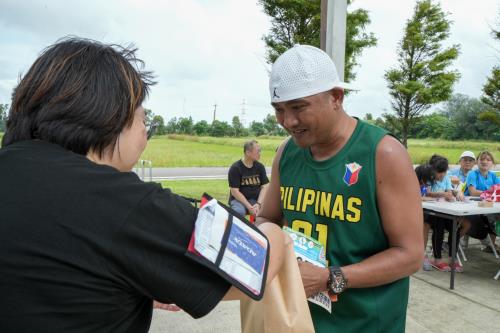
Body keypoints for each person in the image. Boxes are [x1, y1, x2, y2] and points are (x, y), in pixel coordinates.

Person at [0, 37, 285, 332]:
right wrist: (272, 230)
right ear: (112, 118)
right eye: (143, 120)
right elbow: (256, 267)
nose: (145, 135)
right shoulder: (123, 201)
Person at [256, 44, 423, 333]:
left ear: (336, 97)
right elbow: (267, 218)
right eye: (279, 110)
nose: (288, 121)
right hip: (301, 320)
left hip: (366, 323)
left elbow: (409, 255)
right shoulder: (287, 154)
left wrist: (330, 277)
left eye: (298, 107)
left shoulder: (383, 154)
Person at [425, 155, 470, 272]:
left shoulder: (445, 178)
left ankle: (452, 259)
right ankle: (437, 259)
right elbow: (428, 193)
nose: (441, 175)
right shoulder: (429, 178)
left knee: (455, 227)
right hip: (432, 211)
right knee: (439, 228)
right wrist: (442, 194)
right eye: (439, 172)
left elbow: (449, 190)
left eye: (443, 172)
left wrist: (451, 195)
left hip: (445, 209)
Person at [466, 151, 500, 252]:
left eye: (488, 160)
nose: (484, 162)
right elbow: (473, 192)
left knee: (497, 214)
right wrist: (489, 192)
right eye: (482, 159)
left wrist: (491, 193)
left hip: (488, 204)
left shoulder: (493, 176)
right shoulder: (472, 174)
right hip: (473, 206)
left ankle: (490, 245)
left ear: (492, 163)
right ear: (477, 161)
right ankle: (488, 244)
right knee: (493, 216)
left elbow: (497, 190)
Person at [228, 140, 269, 217]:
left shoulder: (260, 167)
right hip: (238, 200)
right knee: (239, 212)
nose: (260, 154)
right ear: (248, 153)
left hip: (255, 200)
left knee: (269, 210)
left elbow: (265, 186)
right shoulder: (236, 168)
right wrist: (249, 207)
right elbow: (234, 191)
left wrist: (258, 204)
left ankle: (259, 228)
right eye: (258, 151)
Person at [415, 164, 436, 271]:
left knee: (426, 224)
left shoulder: (423, 185)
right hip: (409, 213)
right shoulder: (411, 182)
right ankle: (420, 254)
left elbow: (424, 195)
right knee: (423, 224)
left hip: (420, 211)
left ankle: (422, 253)